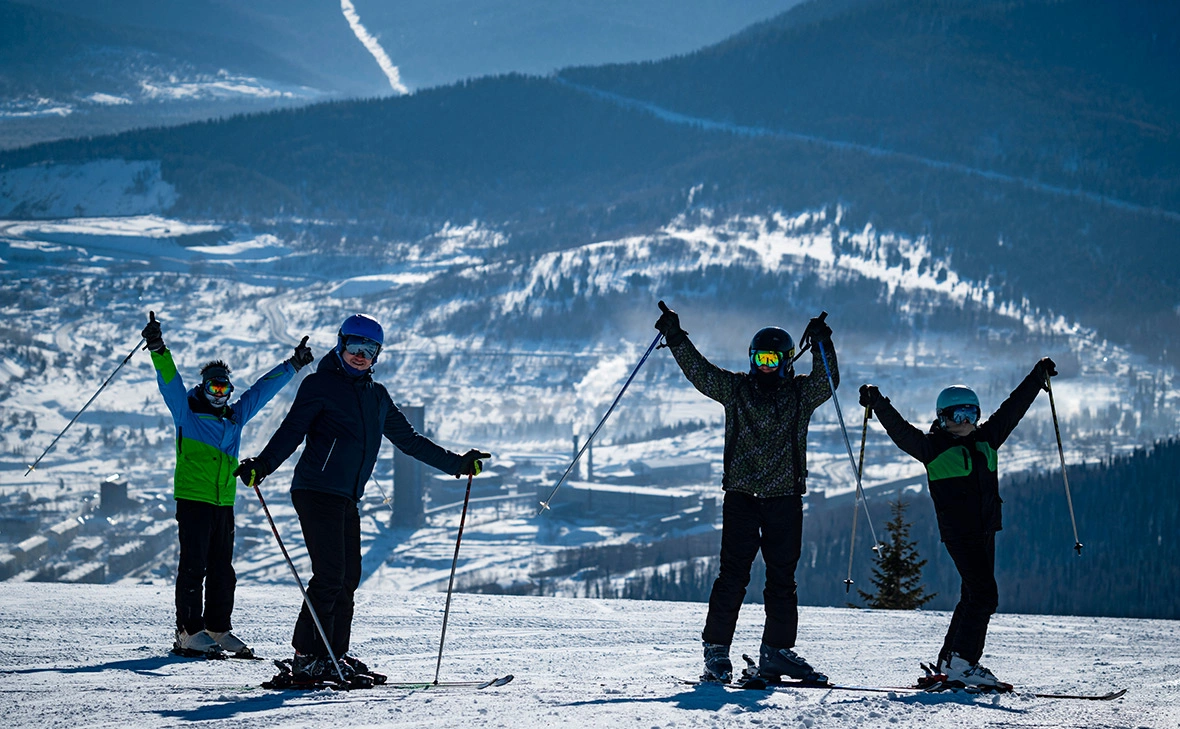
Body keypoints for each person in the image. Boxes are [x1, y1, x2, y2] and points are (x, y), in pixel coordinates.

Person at [234, 313, 489, 682]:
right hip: (314, 490)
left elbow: (411, 441)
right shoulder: (319, 385)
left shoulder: (377, 396)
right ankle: (307, 656)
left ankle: (335, 655)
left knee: (348, 577)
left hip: (346, 497)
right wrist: (262, 465)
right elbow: (291, 431)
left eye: (369, 350)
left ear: (377, 356)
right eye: (354, 346)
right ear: (340, 345)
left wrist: (458, 464)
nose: (360, 355)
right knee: (329, 575)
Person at [654, 300, 836, 684]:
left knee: (782, 578)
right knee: (733, 575)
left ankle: (777, 651)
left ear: (787, 360)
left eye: (772, 359)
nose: (763, 366)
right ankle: (716, 650)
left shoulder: (801, 395)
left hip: (785, 499)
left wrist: (823, 344)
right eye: (758, 358)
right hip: (742, 498)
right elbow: (700, 373)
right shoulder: (736, 390)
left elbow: (828, 382)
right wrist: (675, 335)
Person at [858, 356, 1057, 689]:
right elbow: (900, 430)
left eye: (971, 414)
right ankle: (963, 662)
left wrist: (1037, 377)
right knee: (984, 596)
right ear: (942, 418)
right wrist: (877, 402)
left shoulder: (987, 438)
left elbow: (1013, 407)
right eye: (957, 415)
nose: (965, 421)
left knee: (972, 595)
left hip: (986, 530)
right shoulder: (931, 448)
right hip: (960, 534)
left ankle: (950, 662)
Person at [142, 310, 313, 657]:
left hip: (224, 501)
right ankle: (188, 632)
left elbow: (262, 392)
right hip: (193, 498)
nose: (219, 393)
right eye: (213, 387)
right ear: (203, 388)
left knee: (223, 570)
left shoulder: (235, 416)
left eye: (224, 388)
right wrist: (159, 347)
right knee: (194, 567)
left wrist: (294, 365)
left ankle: (218, 628)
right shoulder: (186, 412)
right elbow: (169, 381)